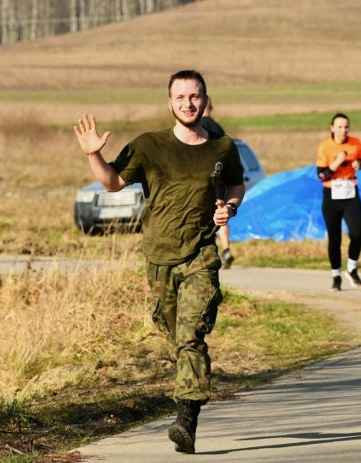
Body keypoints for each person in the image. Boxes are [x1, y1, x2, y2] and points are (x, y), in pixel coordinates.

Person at [73, 69, 246, 453]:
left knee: (191, 334)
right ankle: (189, 392)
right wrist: (93, 154)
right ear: (170, 103)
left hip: (201, 254)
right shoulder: (149, 145)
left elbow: (236, 184)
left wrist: (229, 208)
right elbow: (112, 183)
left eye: (195, 96)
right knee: (174, 337)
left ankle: (187, 417)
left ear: (205, 99)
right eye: (181, 97)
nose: (189, 103)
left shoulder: (223, 148)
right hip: (158, 258)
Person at [316, 113, 361, 291]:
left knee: (357, 233)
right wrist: (337, 163)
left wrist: (358, 165)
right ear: (332, 128)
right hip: (331, 194)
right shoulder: (325, 146)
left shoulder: (356, 143)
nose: (343, 130)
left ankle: (352, 268)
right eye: (339, 127)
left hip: (350, 192)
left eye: (346, 127)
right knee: (334, 238)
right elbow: (321, 175)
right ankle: (336, 276)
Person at [202, 97, 234, 269]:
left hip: (205, 178)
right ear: (212, 108)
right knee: (222, 213)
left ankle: (208, 251)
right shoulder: (219, 128)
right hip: (220, 177)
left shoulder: (198, 127)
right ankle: (226, 248)